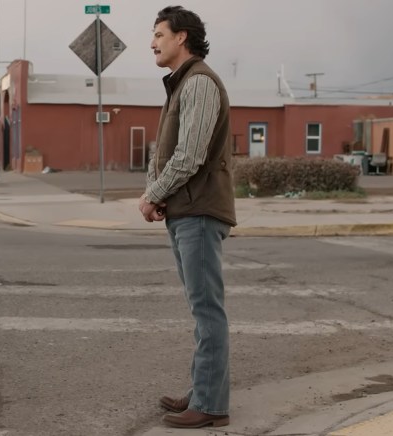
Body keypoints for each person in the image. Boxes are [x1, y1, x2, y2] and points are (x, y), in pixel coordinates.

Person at [139, 5, 237, 429]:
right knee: (201, 309)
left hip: (198, 211)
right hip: (185, 210)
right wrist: (157, 194)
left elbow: (190, 155)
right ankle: (203, 390)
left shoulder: (198, 83)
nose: (153, 41)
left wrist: (152, 195)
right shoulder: (182, 85)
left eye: (159, 33)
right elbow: (167, 153)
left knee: (207, 309)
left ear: (182, 37)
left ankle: (212, 404)